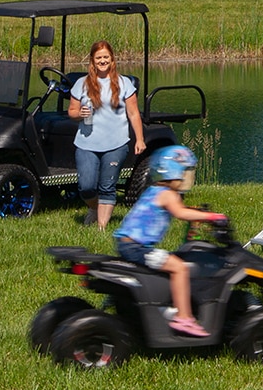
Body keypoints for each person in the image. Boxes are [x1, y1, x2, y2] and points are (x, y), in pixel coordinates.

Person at [112, 145, 226, 337]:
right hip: (138, 248)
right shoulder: (168, 194)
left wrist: (196, 215)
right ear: (175, 172)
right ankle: (184, 318)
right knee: (179, 268)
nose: (188, 178)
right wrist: (212, 216)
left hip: (126, 244)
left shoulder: (154, 190)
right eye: (186, 173)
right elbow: (180, 212)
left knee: (169, 261)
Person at [66, 39, 145, 229]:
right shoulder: (81, 84)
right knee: (86, 187)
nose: (102, 61)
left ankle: (101, 228)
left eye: (106, 57)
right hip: (86, 143)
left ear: (112, 59)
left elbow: (133, 113)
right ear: (92, 61)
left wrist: (140, 139)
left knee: (107, 186)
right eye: (98, 57)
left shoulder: (124, 83)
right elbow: (71, 111)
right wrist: (79, 114)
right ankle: (94, 208)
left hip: (116, 143)